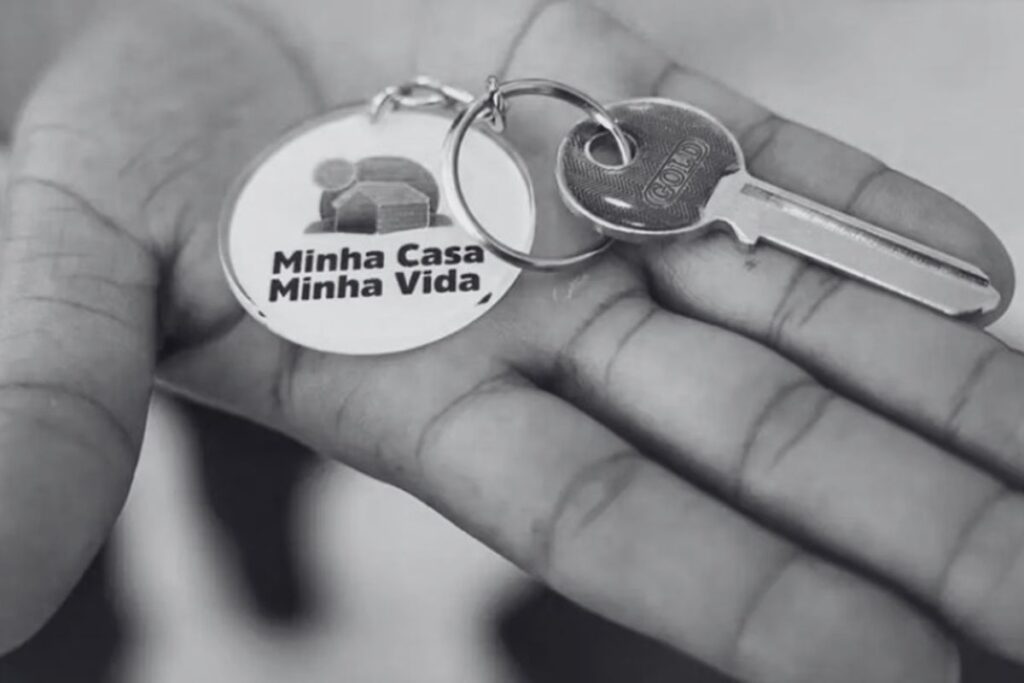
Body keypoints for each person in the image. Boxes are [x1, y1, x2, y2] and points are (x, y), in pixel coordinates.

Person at [0, 2, 1023, 682]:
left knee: (253, 441)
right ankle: (266, 578)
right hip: (174, 227)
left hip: (283, 201)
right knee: (173, 454)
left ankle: (269, 579)